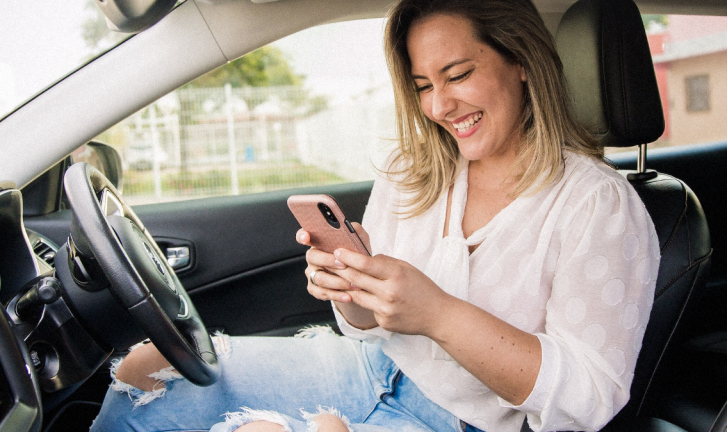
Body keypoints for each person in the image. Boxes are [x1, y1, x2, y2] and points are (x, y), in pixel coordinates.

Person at [91, 0, 660, 431]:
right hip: (367, 368)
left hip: (466, 423)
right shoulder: (412, 169)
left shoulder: (597, 206)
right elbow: (363, 330)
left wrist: (437, 313)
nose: (439, 107)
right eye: (422, 86)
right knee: (143, 372)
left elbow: (590, 397)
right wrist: (353, 295)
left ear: (522, 63)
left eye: (458, 75)